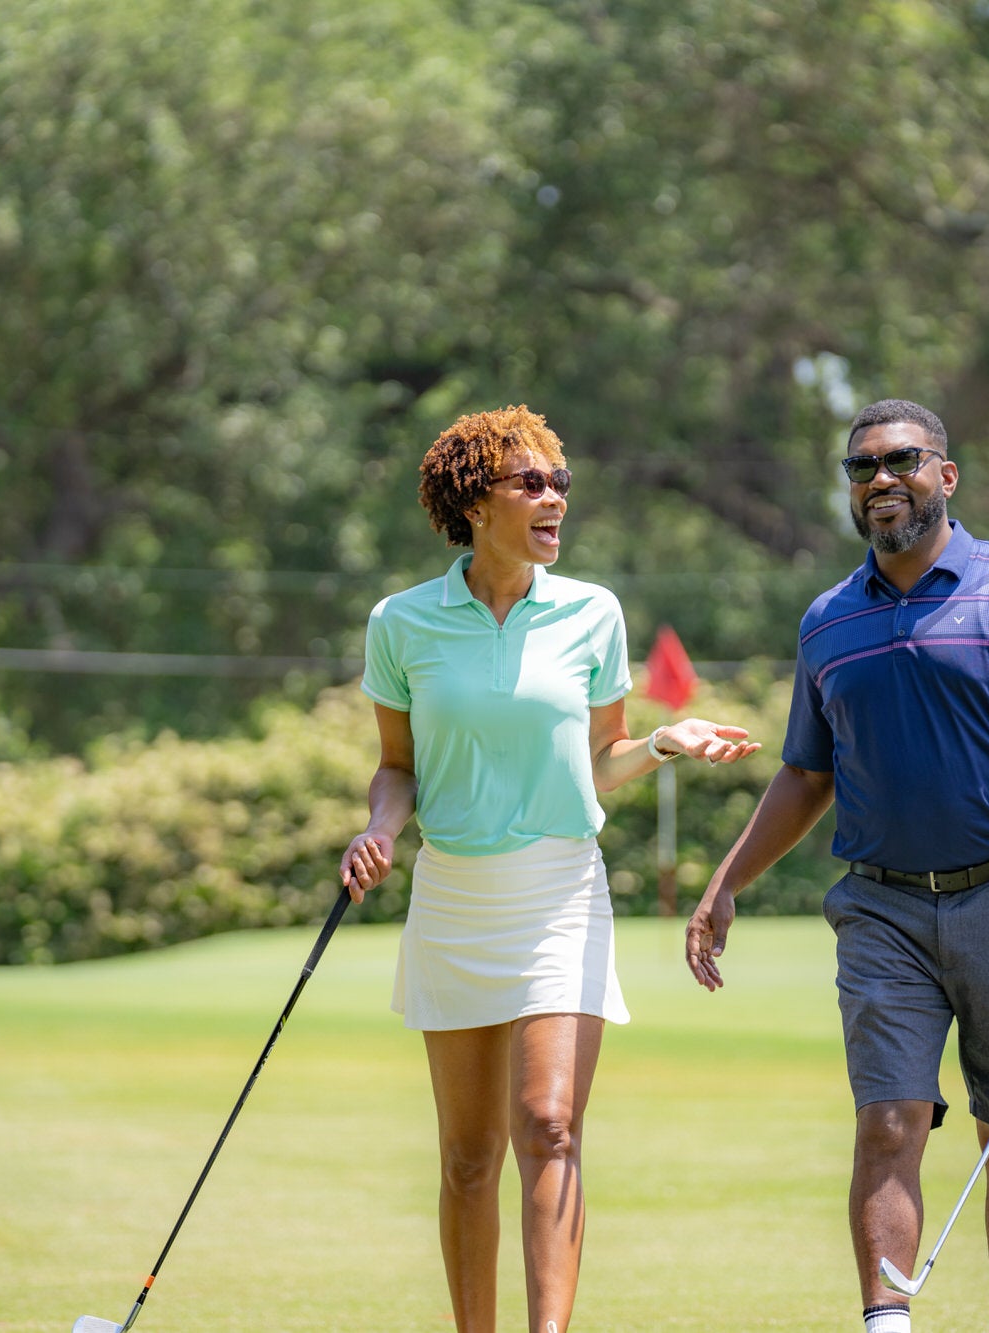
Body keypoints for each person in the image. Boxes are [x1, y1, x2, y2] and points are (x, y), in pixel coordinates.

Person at [683, 398, 989, 1333]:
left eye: (902, 461)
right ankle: (887, 1326)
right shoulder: (827, 622)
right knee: (887, 1123)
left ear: (946, 476)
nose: (881, 480)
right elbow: (806, 774)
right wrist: (726, 884)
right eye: (861, 468)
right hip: (881, 912)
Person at [339, 404, 759, 1333]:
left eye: (560, 483)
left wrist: (663, 739)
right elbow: (399, 766)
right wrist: (377, 827)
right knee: (466, 1157)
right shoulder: (402, 623)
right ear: (472, 500)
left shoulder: (592, 612)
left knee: (551, 1125)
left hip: (560, 890)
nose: (553, 498)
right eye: (529, 482)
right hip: (454, 896)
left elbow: (602, 757)